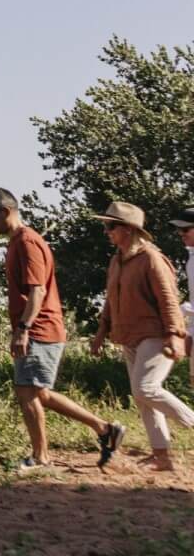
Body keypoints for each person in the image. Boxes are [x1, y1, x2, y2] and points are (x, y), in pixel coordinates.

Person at [0, 188, 125, 469]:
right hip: (38, 328)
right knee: (39, 393)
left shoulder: (27, 242)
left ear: (6, 212)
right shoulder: (17, 242)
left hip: (40, 329)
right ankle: (105, 429)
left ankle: (41, 457)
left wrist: (23, 328)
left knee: (26, 392)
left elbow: (38, 291)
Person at [89, 201, 193, 472]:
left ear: (128, 229)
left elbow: (169, 300)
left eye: (111, 226)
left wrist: (174, 334)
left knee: (146, 388)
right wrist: (101, 332)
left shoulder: (151, 259)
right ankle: (162, 456)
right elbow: (111, 300)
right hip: (129, 335)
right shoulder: (117, 260)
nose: (106, 231)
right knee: (141, 396)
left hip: (155, 334)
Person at [173, 206, 194, 384]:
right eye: (180, 229)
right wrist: (190, 333)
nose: (181, 233)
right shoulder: (191, 259)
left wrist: (182, 310)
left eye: (186, 229)